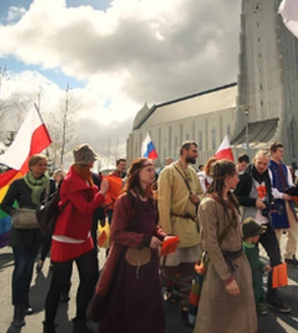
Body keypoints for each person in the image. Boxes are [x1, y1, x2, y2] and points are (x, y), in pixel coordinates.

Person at [95, 158, 170, 333]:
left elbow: (153, 226)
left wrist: (162, 236)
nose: (153, 173)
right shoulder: (125, 200)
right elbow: (117, 234)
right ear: (137, 174)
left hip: (149, 260)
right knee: (130, 303)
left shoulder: (151, 198)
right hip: (128, 262)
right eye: (148, 170)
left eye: (153, 170)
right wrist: (146, 240)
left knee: (151, 300)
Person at [43, 144, 108, 333]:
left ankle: (80, 320)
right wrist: (102, 193)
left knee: (89, 280)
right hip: (66, 238)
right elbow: (85, 208)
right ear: (86, 163)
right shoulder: (71, 180)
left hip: (83, 236)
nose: (93, 165)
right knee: (58, 284)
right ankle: (48, 325)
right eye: (91, 162)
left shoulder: (85, 179)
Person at [193, 159, 258, 333]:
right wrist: (227, 278)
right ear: (226, 177)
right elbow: (210, 244)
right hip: (221, 270)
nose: (238, 179)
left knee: (242, 314)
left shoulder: (231, 199)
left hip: (239, 262)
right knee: (218, 318)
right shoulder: (208, 205)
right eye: (235, 175)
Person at [235, 149, 291, 313]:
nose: (262, 167)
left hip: (266, 224)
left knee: (276, 258)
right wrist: (254, 202)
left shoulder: (267, 175)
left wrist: (270, 205)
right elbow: (236, 197)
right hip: (250, 227)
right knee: (249, 263)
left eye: (265, 164)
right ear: (254, 161)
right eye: (259, 163)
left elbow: (268, 195)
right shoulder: (245, 177)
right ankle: (249, 296)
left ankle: (272, 297)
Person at [0, 155, 49, 328]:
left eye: (45, 165)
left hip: (38, 231)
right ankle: (18, 311)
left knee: (28, 267)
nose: (44, 167)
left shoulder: (49, 184)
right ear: (32, 166)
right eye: (40, 165)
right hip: (20, 231)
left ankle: (25, 301)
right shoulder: (18, 184)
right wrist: (16, 213)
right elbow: (4, 204)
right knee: (21, 267)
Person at [157, 141, 203, 325]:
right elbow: (163, 202)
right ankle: (153, 305)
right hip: (174, 227)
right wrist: (166, 232)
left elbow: (201, 194)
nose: (196, 154)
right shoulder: (168, 172)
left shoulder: (192, 173)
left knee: (189, 272)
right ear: (184, 152)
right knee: (167, 272)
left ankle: (186, 307)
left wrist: (196, 198)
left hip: (190, 229)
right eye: (193, 151)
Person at [268, 142, 298, 268]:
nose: (282, 154)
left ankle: (290, 255)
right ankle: (275, 258)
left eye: (282, 151)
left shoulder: (284, 167)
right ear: (273, 152)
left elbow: (289, 183)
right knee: (277, 231)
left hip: (287, 201)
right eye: (279, 151)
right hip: (277, 202)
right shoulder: (269, 167)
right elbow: (270, 188)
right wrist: (281, 195)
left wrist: (295, 189)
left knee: (293, 228)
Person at [37, 169, 65, 275]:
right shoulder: (49, 184)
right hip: (50, 215)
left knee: (56, 241)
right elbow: (43, 198)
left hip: (60, 217)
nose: (61, 176)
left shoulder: (65, 186)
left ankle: (53, 261)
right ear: (55, 175)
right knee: (47, 240)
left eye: (63, 175)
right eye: (59, 174)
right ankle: (42, 259)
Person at [242, 217, 272, 316]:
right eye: (258, 234)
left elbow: (256, 260)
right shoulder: (244, 250)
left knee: (260, 290)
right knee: (252, 292)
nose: (260, 235)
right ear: (252, 235)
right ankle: (250, 307)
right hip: (250, 276)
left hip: (257, 274)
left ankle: (260, 304)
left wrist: (263, 266)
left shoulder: (254, 247)